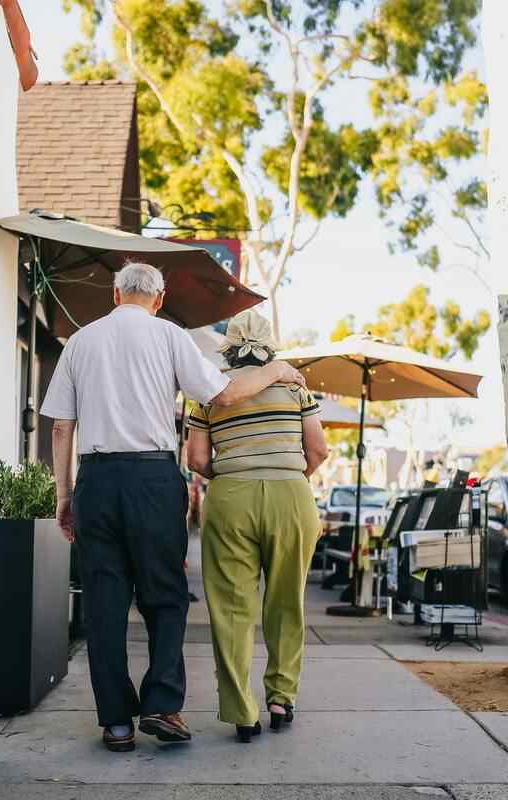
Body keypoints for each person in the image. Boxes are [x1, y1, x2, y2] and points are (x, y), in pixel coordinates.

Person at [41, 261, 306, 753]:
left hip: (97, 479)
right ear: (158, 299)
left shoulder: (80, 341)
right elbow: (224, 396)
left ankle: (117, 723)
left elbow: (61, 427)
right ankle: (162, 706)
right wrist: (274, 369)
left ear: (115, 295)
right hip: (152, 478)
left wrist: (65, 495)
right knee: (164, 597)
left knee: (105, 605)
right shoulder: (171, 337)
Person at [185, 310, 329, 743]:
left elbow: (195, 459)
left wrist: (234, 474)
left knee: (230, 608)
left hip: (230, 498)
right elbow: (318, 450)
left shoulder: (211, 392)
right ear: (271, 344)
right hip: (291, 495)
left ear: (228, 344)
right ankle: (282, 697)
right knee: (287, 602)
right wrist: (286, 476)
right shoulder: (294, 387)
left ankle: (242, 712)